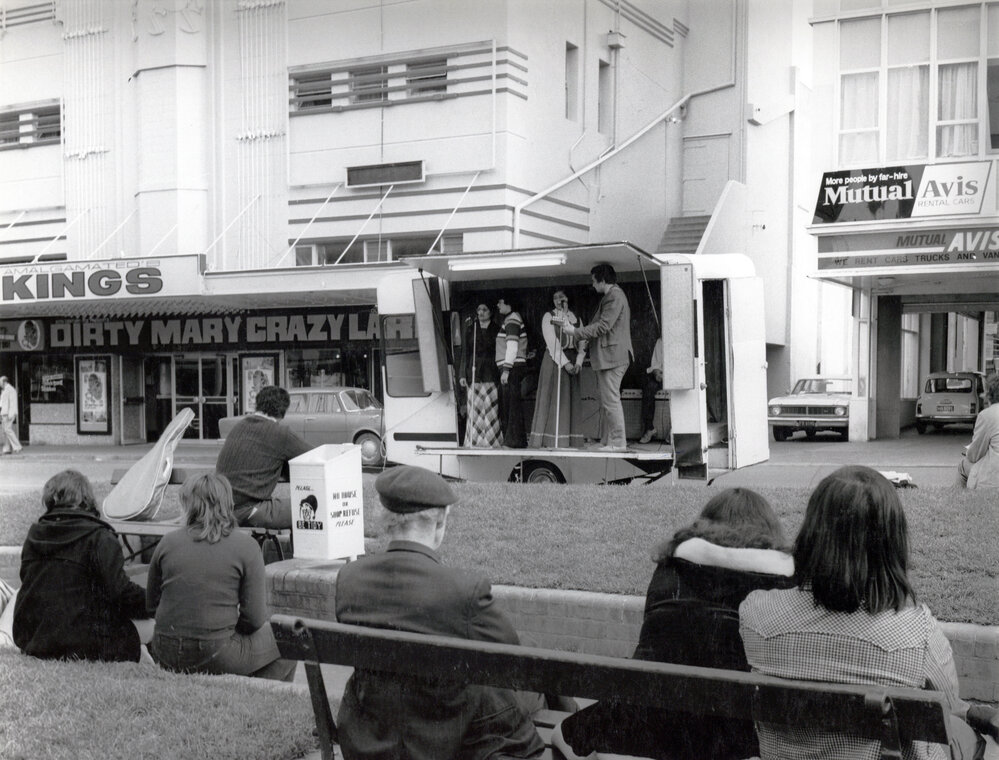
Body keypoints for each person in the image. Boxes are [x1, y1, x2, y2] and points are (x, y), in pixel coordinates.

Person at [740, 465, 999, 760]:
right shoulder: (917, 633)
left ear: (812, 534)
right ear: (891, 543)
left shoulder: (756, 613)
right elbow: (949, 703)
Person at [552, 488, 795, 760]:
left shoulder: (670, 569)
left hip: (651, 723)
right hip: (738, 737)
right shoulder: (784, 585)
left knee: (563, 736)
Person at [335, 465, 544, 760]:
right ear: (440, 522)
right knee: (529, 669)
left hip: (368, 740)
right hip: (445, 741)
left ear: (386, 520)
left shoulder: (349, 579)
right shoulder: (463, 590)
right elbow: (513, 659)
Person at [146, 472, 296, 681]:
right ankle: (256, 691)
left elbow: (152, 605)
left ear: (188, 505)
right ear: (228, 503)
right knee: (291, 639)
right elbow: (254, 618)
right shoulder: (246, 546)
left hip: (164, 649)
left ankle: (239, 687)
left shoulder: (167, 542)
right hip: (216, 650)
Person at [13, 470, 152, 662]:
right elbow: (120, 594)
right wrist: (155, 600)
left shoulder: (35, 534)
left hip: (35, 637)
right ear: (86, 499)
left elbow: (28, 582)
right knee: (152, 627)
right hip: (83, 641)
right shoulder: (99, 536)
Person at [215, 384, 311, 529]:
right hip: (248, 510)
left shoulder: (239, 426)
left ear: (258, 404)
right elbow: (314, 456)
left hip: (220, 509)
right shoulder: (280, 433)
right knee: (308, 507)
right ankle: (300, 552)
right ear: (283, 410)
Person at [563, 264, 633, 451]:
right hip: (610, 357)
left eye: (594, 281)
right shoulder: (612, 297)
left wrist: (575, 332)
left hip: (612, 357)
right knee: (608, 400)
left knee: (610, 400)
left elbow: (603, 326)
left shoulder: (614, 297)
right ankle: (609, 440)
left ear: (602, 280)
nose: (593, 285)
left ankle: (618, 443)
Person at [529, 289, 587, 448]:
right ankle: (550, 441)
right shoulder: (549, 316)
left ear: (568, 298)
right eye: (555, 298)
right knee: (553, 400)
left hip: (573, 360)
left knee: (569, 401)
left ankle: (568, 440)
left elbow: (582, 342)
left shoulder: (576, 318)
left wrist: (579, 362)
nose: (558, 300)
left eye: (562, 297)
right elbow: (552, 342)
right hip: (554, 362)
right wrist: (565, 363)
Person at [460, 302, 503, 447]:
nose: (481, 312)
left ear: (491, 312)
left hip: (491, 372)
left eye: (485, 309)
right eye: (478, 309)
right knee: (475, 409)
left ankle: (492, 442)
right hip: (474, 372)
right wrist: (462, 374)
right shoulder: (471, 328)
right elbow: (465, 352)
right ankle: (474, 442)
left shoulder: (497, 329)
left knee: (491, 407)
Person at [496, 295, 529, 448]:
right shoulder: (512, 319)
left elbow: (512, 346)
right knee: (512, 403)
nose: (498, 305)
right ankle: (517, 440)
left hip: (512, 367)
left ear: (508, 303)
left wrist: (506, 369)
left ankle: (513, 441)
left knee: (511, 405)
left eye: (500, 302)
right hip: (513, 366)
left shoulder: (512, 320)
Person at [957, 372, 999, 488]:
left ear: (989, 394)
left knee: (963, 465)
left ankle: (959, 500)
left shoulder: (987, 415)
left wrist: (968, 452)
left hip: (994, 480)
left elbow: (974, 455)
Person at [639, 338, 664, 444]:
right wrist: (657, 373)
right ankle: (649, 429)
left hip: (677, 377)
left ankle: (674, 429)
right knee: (648, 388)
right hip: (662, 376)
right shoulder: (660, 341)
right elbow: (656, 363)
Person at [0, 375, 22, 455]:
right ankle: (7, 449)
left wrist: (11, 414)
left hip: (8, 413)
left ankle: (17, 446)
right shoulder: (5, 390)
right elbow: (2, 403)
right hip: (4, 413)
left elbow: (13, 403)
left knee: (8, 430)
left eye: (0, 382)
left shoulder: (11, 390)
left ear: (4, 382)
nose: (0, 384)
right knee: (5, 431)